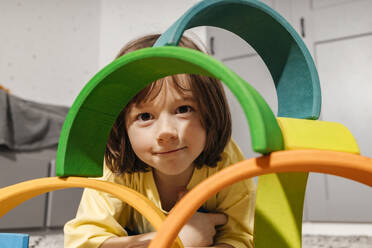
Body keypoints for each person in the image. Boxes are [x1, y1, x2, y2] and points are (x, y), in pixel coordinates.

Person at [64, 34, 256, 248]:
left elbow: (242, 239)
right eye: (145, 116)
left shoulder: (228, 164)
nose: (166, 132)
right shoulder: (116, 167)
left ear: (211, 111)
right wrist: (173, 241)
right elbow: (83, 241)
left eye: (183, 109)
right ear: (122, 126)